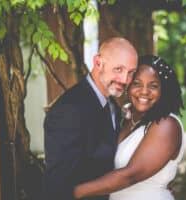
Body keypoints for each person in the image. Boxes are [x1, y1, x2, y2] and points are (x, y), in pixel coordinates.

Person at [73, 55, 185, 200]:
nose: (144, 91)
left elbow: (130, 175)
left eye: (153, 86)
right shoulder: (124, 117)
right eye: (137, 83)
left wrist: (73, 192)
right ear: (128, 86)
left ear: (164, 90)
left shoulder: (166, 125)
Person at [42, 37, 138, 200]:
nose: (125, 80)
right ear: (98, 62)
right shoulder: (69, 110)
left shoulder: (112, 105)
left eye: (131, 72)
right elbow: (59, 185)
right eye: (118, 69)